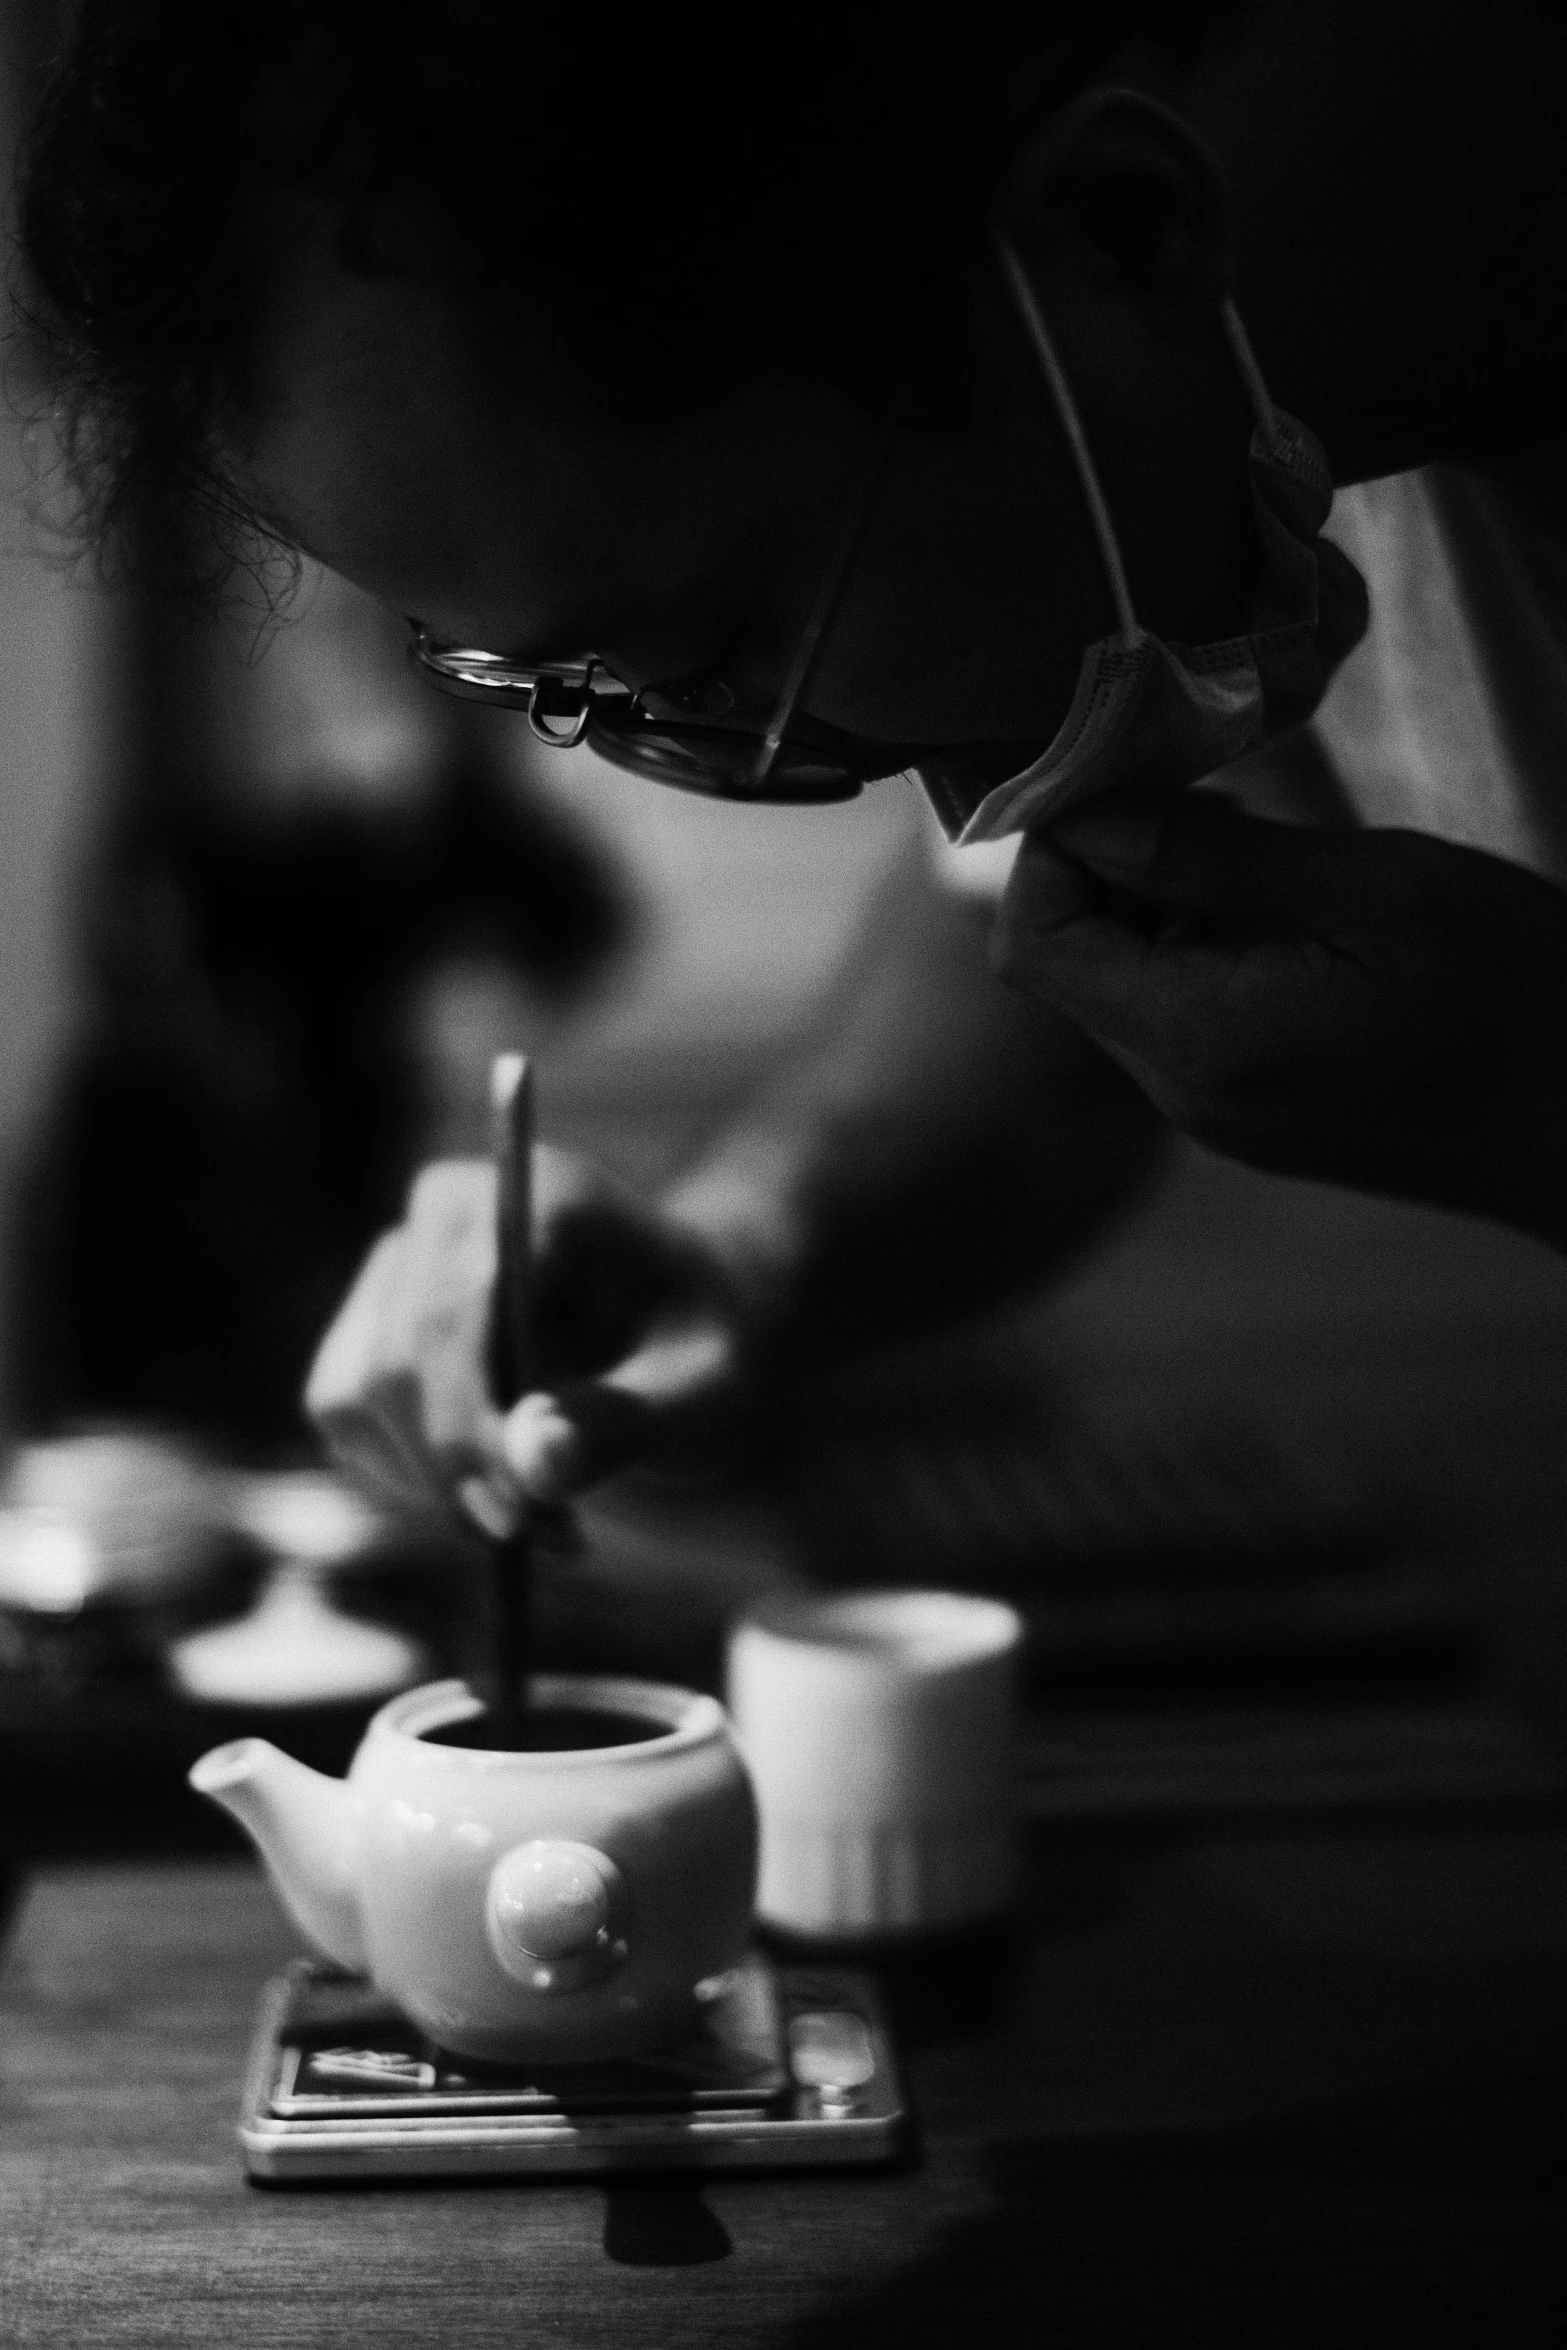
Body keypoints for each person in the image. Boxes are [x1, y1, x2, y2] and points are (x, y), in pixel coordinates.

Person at [15, 0, 1567, 1534]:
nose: (741, 762)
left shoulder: (1168, 444)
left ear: (1119, 224)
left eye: (709, 651)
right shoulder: (1211, 455)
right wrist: (747, 1248)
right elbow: (1023, 964)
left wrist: (1529, 1087)